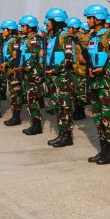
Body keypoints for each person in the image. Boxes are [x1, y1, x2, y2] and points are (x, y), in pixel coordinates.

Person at [84, 4, 110, 164]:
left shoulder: (109, 36)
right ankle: (103, 149)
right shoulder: (93, 36)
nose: (87, 21)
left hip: (107, 84)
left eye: (89, 17)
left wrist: (104, 68)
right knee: (99, 119)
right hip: (94, 83)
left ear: (97, 18)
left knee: (109, 118)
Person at [44, 8, 76, 148]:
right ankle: (62, 133)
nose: (47, 24)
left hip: (62, 78)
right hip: (54, 78)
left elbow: (69, 59)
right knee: (58, 107)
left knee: (64, 107)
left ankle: (67, 136)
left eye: (49, 21)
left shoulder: (65, 37)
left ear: (56, 21)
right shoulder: (53, 37)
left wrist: (55, 70)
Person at [18, 15, 44, 135]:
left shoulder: (34, 38)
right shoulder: (28, 38)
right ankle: (35, 123)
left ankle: (37, 125)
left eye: (23, 26)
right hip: (29, 73)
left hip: (33, 73)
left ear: (29, 27)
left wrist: (24, 68)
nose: (22, 28)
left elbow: (34, 54)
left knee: (33, 99)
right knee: (30, 98)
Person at [0, 20, 24, 126]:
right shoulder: (7, 41)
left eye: (4, 30)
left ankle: (16, 117)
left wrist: (7, 63)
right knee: (13, 94)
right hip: (9, 72)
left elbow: (16, 57)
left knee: (16, 94)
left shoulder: (13, 41)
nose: (2, 32)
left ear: (9, 30)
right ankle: (15, 116)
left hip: (14, 71)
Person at [66, 17, 88, 121]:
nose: (68, 29)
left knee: (80, 91)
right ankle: (77, 109)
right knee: (74, 91)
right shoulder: (70, 38)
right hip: (73, 68)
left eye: (70, 27)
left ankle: (80, 111)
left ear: (75, 28)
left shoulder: (83, 38)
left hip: (81, 70)